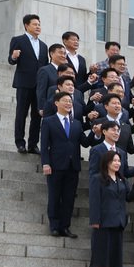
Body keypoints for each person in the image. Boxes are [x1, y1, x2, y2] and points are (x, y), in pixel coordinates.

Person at [38, 91, 82, 238]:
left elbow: (84, 141)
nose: (69, 103)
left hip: (73, 166)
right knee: (55, 196)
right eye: (65, 101)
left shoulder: (76, 123)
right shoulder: (49, 121)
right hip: (55, 165)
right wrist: (45, 163)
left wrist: (96, 133)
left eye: (70, 101)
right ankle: (54, 225)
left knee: (69, 198)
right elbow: (44, 145)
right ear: (56, 103)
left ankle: (65, 226)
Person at [88, 151, 128, 267]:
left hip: (118, 220)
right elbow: (94, 201)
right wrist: (95, 220)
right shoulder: (97, 178)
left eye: (119, 161)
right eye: (114, 161)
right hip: (103, 220)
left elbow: (129, 197)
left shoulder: (122, 179)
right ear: (107, 162)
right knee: (101, 249)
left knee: (114, 250)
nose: (117, 163)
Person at [8, 13, 45, 154]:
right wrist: (13, 56)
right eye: (35, 24)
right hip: (24, 83)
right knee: (21, 113)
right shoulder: (18, 40)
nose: (38, 27)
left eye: (39, 24)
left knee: (37, 116)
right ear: (26, 25)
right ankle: (20, 143)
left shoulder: (43, 45)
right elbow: (11, 61)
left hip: (39, 86)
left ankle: (33, 144)